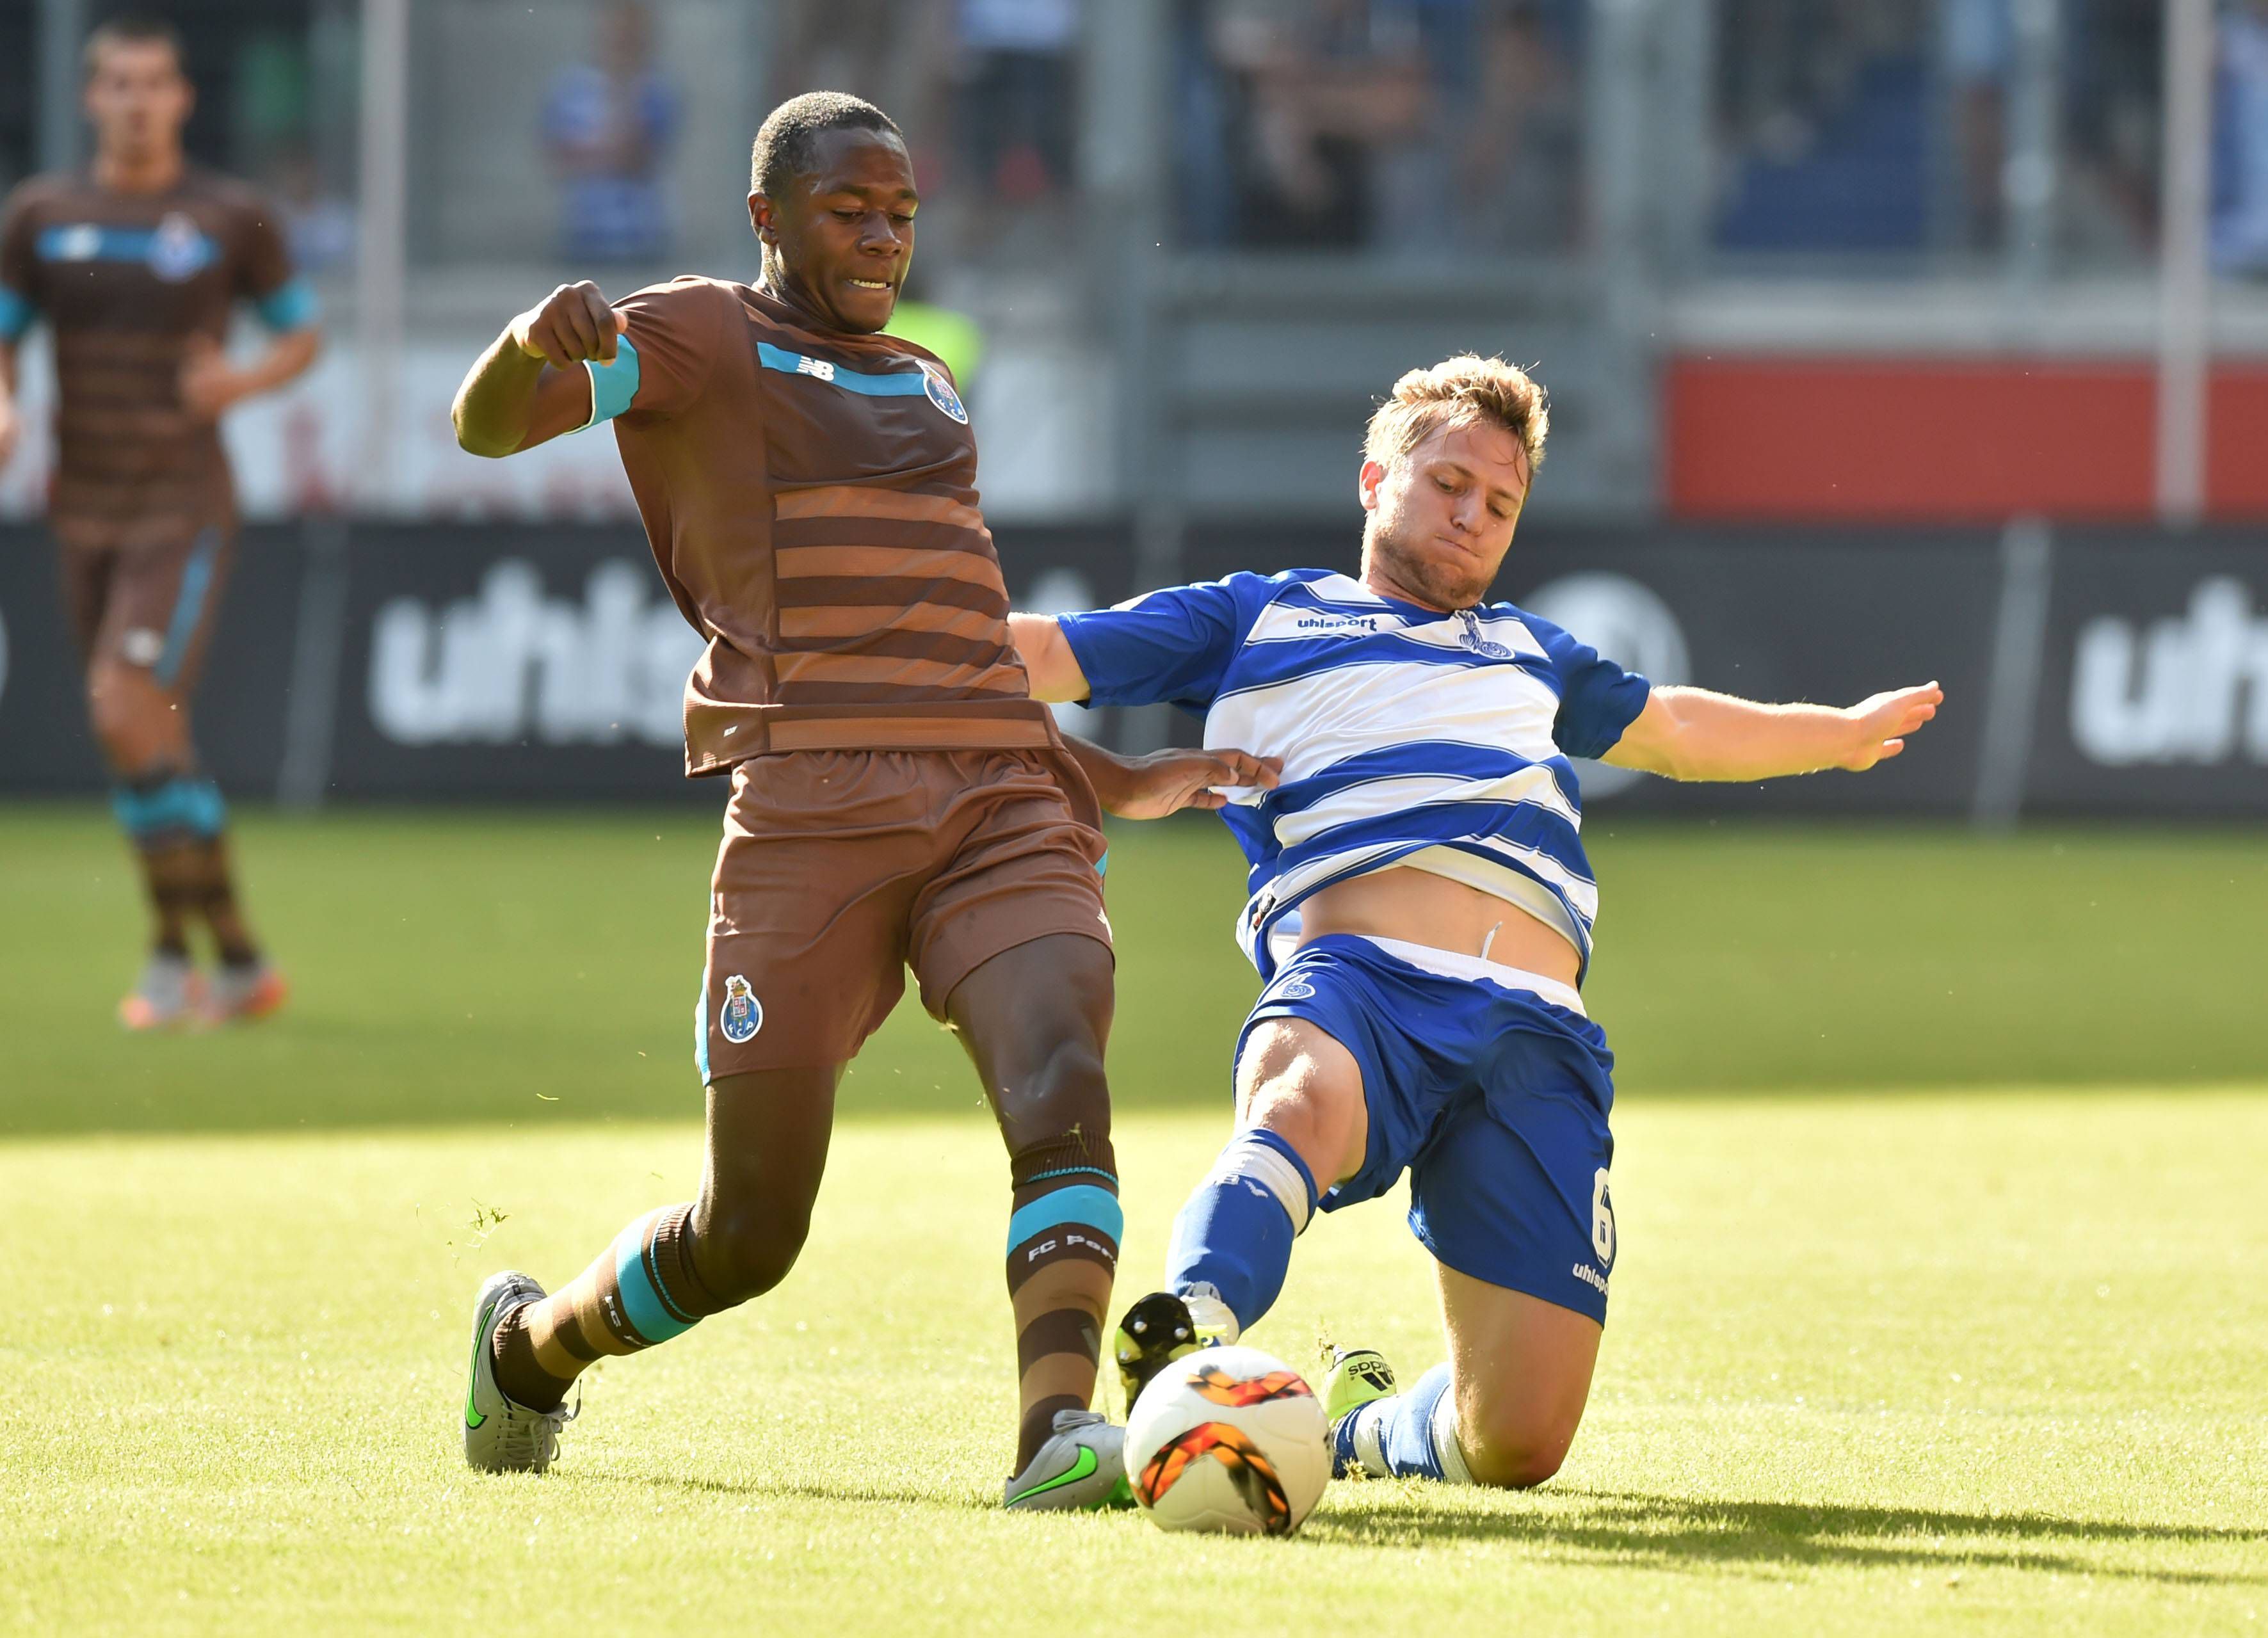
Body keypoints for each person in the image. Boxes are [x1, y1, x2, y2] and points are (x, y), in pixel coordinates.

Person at [447, 92, 1277, 1509]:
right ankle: (529, 1350)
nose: (885, 235)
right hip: (810, 811)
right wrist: (530, 341)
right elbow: (488, 429)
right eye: (851, 210)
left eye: (901, 211)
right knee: (752, 1232)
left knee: (1062, 1074)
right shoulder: (702, 334)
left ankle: (1051, 1433)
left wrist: (1108, 772)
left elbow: (955, 647)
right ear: (766, 218)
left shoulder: (928, 382)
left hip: (999, 792)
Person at [1008, 354, 1942, 1489]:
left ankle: (1356, 1428)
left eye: (1499, 504)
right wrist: (891, 648)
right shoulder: (1260, 612)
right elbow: (1037, 656)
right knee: (1299, 1100)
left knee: (1515, 1442)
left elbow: (1679, 730)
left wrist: (1830, 730)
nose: (1471, 515)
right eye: (1448, 481)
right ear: (1373, 478)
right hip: (1362, 978)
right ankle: (1185, 1335)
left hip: (1538, 1028)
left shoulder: (1531, 650)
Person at [0, 13, 321, 1030]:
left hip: (179, 507)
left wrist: (239, 378)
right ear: (92, 99)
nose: (138, 102)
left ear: (183, 98)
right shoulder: (42, 214)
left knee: (122, 705)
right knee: (138, 743)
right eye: (119, 85)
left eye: (155, 84)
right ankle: (231, 961)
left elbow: (300, 331)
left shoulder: (228, 216)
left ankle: (176, 957)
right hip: (81, 508)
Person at [543, 0, 681, 263]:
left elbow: (638, 154)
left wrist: (595, 148)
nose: (620, 38)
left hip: (641, 238)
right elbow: (560, 156)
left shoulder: (658, 91)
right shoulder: (570, 89)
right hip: (582, 233)